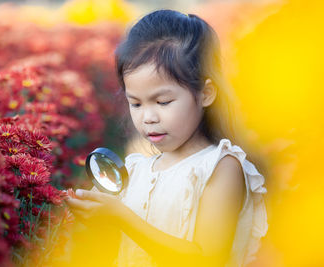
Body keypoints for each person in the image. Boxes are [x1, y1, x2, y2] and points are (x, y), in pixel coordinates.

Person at [67, 9, 268, 267]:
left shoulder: (220, 167)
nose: (148, 117)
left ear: (205, 93)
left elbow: (208, 258)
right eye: (136, 104)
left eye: (162, 101)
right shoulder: (137, 170)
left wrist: (121, 217)